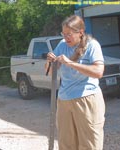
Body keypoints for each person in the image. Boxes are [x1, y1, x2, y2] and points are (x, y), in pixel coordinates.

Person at [45, 15, 105, 150]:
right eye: (63, 34)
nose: (66, 37)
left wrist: (71, 63)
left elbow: (98, 72)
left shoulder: (92, 45)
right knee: (66, 144)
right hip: (64, 100)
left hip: (87, 100)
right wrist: (49, 61)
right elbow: (49, 72)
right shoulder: (62, 44)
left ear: (81, 32)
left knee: (90, 144)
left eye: (69, 34)